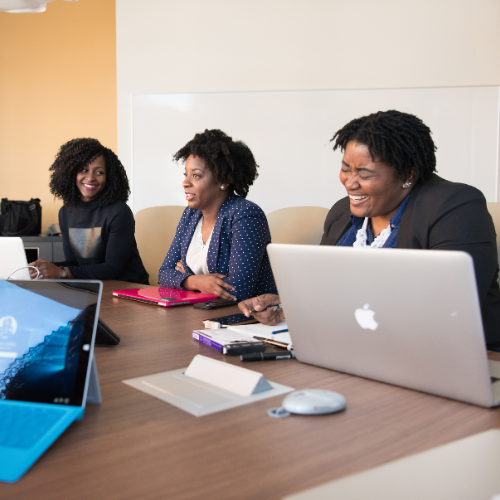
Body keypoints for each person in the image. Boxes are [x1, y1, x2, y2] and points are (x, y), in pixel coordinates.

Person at [239, 110, 500, 349]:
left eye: (364, 174)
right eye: (345, 169)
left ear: (408, 174)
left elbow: (447, 308)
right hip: (352, 347)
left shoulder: (455, 207)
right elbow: (324, 287)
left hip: (447, 356)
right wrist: (287, 305)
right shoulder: (342, 213)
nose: (350, 183)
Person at [158, 129, 277, 302]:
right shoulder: (190, 215)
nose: (185, 182)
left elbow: (237, 290)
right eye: (186, 174)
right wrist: (196, 281)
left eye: (196, 176)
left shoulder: (245, 215)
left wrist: (186, 277)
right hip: (198, 313)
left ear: (223, 180)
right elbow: (164, 274)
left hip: (244, 318)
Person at [29, 138, 149, 284]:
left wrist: (60, 272)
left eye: (99, 172)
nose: (91, 178)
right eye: (84, 170)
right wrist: (43, 268)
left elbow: (112, 269)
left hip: (127, 289)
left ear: (109, 177)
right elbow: (74, 263)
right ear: (71, 173)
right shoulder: (66, 212)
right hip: (93, 287)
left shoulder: (119, 211)